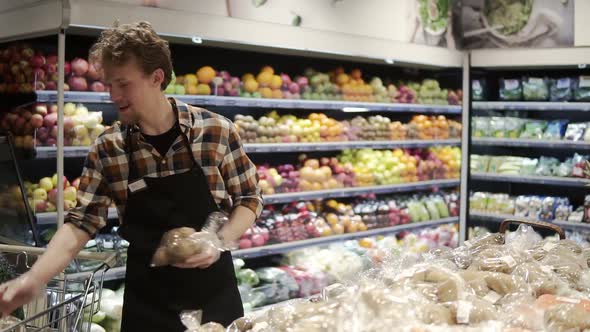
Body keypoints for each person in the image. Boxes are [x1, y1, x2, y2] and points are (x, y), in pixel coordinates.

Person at [0, 21, 262, 331]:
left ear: (156, 77)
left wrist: (218, 241)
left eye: (123, 84)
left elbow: (249, 198)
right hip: (148, 301)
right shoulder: (108, 148)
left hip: (214, 297)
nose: (113, 95)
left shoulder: (214, 131)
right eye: (109, 84)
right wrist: (35, 278)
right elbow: (81, 223)